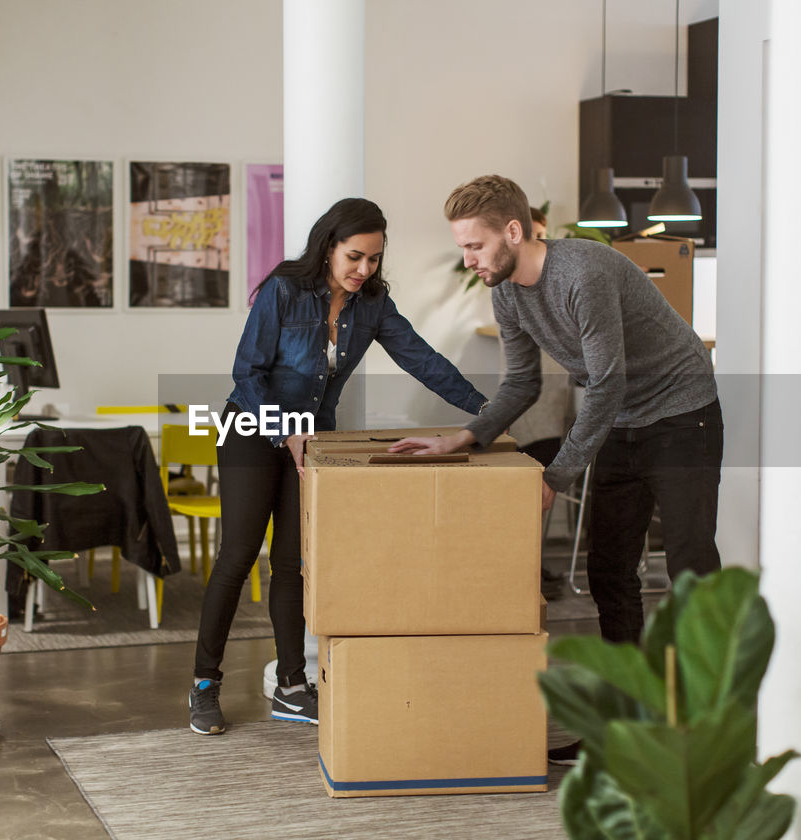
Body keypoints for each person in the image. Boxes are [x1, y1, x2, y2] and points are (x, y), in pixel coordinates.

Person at [391, 175, 721, 764]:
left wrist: (555, 475)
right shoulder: (507, 292)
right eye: (463, 248)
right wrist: (464, 437)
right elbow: (522, 381)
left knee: (690, 565)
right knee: (609, 570)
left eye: (475, 246)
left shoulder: (584, 274)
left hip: (681, 412)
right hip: (621, 420)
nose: (469, 260)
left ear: (513, 231)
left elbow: (607, 383)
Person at [189, 197, 489, 736]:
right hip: (253, 431)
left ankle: (290, 687)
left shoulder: (372, 305)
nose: (363, 270)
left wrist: (488, 412)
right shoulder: (283, 290)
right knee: (236, 558)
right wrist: (285, 432)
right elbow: (247, 374)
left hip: (312, 441)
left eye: (374, 259)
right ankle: (205, 685)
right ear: (329, 246)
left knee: (291, 564)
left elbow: (422, 360)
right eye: (355, 256)